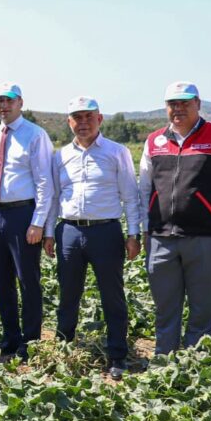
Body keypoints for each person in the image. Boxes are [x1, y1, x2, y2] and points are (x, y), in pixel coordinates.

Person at [139, 82, 211, 355]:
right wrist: (144, 229)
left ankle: (196, 364)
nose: (179, 108)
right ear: (166, 107)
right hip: (161, 238)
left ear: (198, 103)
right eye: (173, 103)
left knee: (203, 308)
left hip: (205, 238)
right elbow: (144, 189)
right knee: (165, 307)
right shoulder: (154, 142)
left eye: (185, 102)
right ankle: (164, 361)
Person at [43, 97, 142, 379]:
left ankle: (117, 356)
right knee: (67, 294)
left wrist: (133, 233)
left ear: (99, 119)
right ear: (69, 122)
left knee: (112, 296)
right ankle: (63, 349)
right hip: (69, 231)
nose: (83, 123)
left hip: (105, 231)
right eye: (77, 118)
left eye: (88, 117)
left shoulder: (116, 152)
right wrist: (50, 232)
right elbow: (53, 197)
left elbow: (130, 196)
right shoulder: (60, 156)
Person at [0, 83, 53, 361]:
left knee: (27, 280)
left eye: (9, 100)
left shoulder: (35, 135)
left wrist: (38, 223)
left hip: (22, 215)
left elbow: (45, 182)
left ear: (20, 102)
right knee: (3, 280)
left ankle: (30, 341)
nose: (4, 106)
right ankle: (10, 337)